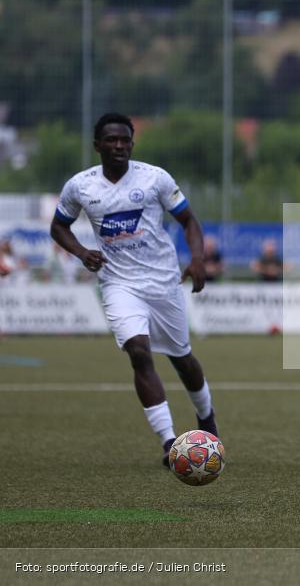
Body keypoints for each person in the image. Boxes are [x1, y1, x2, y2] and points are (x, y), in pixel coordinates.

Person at [50, 112, 218, 467]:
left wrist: (198, 258)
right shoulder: (80, 186)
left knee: (182, 358)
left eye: (125, 140)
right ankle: (171, 443)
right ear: (97, 145)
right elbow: (59, 227)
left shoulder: (155, 178)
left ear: (132, 143)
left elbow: (189, 220)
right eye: (111, 140)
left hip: (163, 282)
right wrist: (81, 252)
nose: (119, 146)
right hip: (118, 283)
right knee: (139, 352)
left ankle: (207, 418)